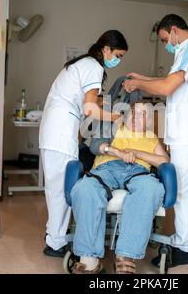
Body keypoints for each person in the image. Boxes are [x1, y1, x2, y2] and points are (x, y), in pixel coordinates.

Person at [123, 14, 188, 267]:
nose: (166, 44)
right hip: (187, 131)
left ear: (174, 30)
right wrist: (141, 78)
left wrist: (139, 84)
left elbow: (166, 88)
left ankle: (182, 248)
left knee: (183, 188)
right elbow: (167, 81)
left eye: (164, 39)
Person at [39, 30, 128, 257]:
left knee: (55, 187)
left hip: (55, 129)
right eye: (117, 55)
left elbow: (87, 104)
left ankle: (53, 236)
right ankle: (56, 243)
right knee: (61, 188)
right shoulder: (93, 67)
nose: (117, 60)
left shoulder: (82, 64)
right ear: (105, 49)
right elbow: (90, 108)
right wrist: (115, 116)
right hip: (59, 132)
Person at [70, 103, 170, 274]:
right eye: (133, 112)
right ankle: (89, 261)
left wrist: (136, 153)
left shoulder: (151, 136)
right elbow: (96, 144)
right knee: (85, 188)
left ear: (148, 120)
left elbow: (164, 161)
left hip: (138, 171)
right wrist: (120, 152)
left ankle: (126, 258)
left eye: (142, 114)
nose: (136, 117)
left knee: (151, 189)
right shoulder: (114, 126)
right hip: (106, 167)